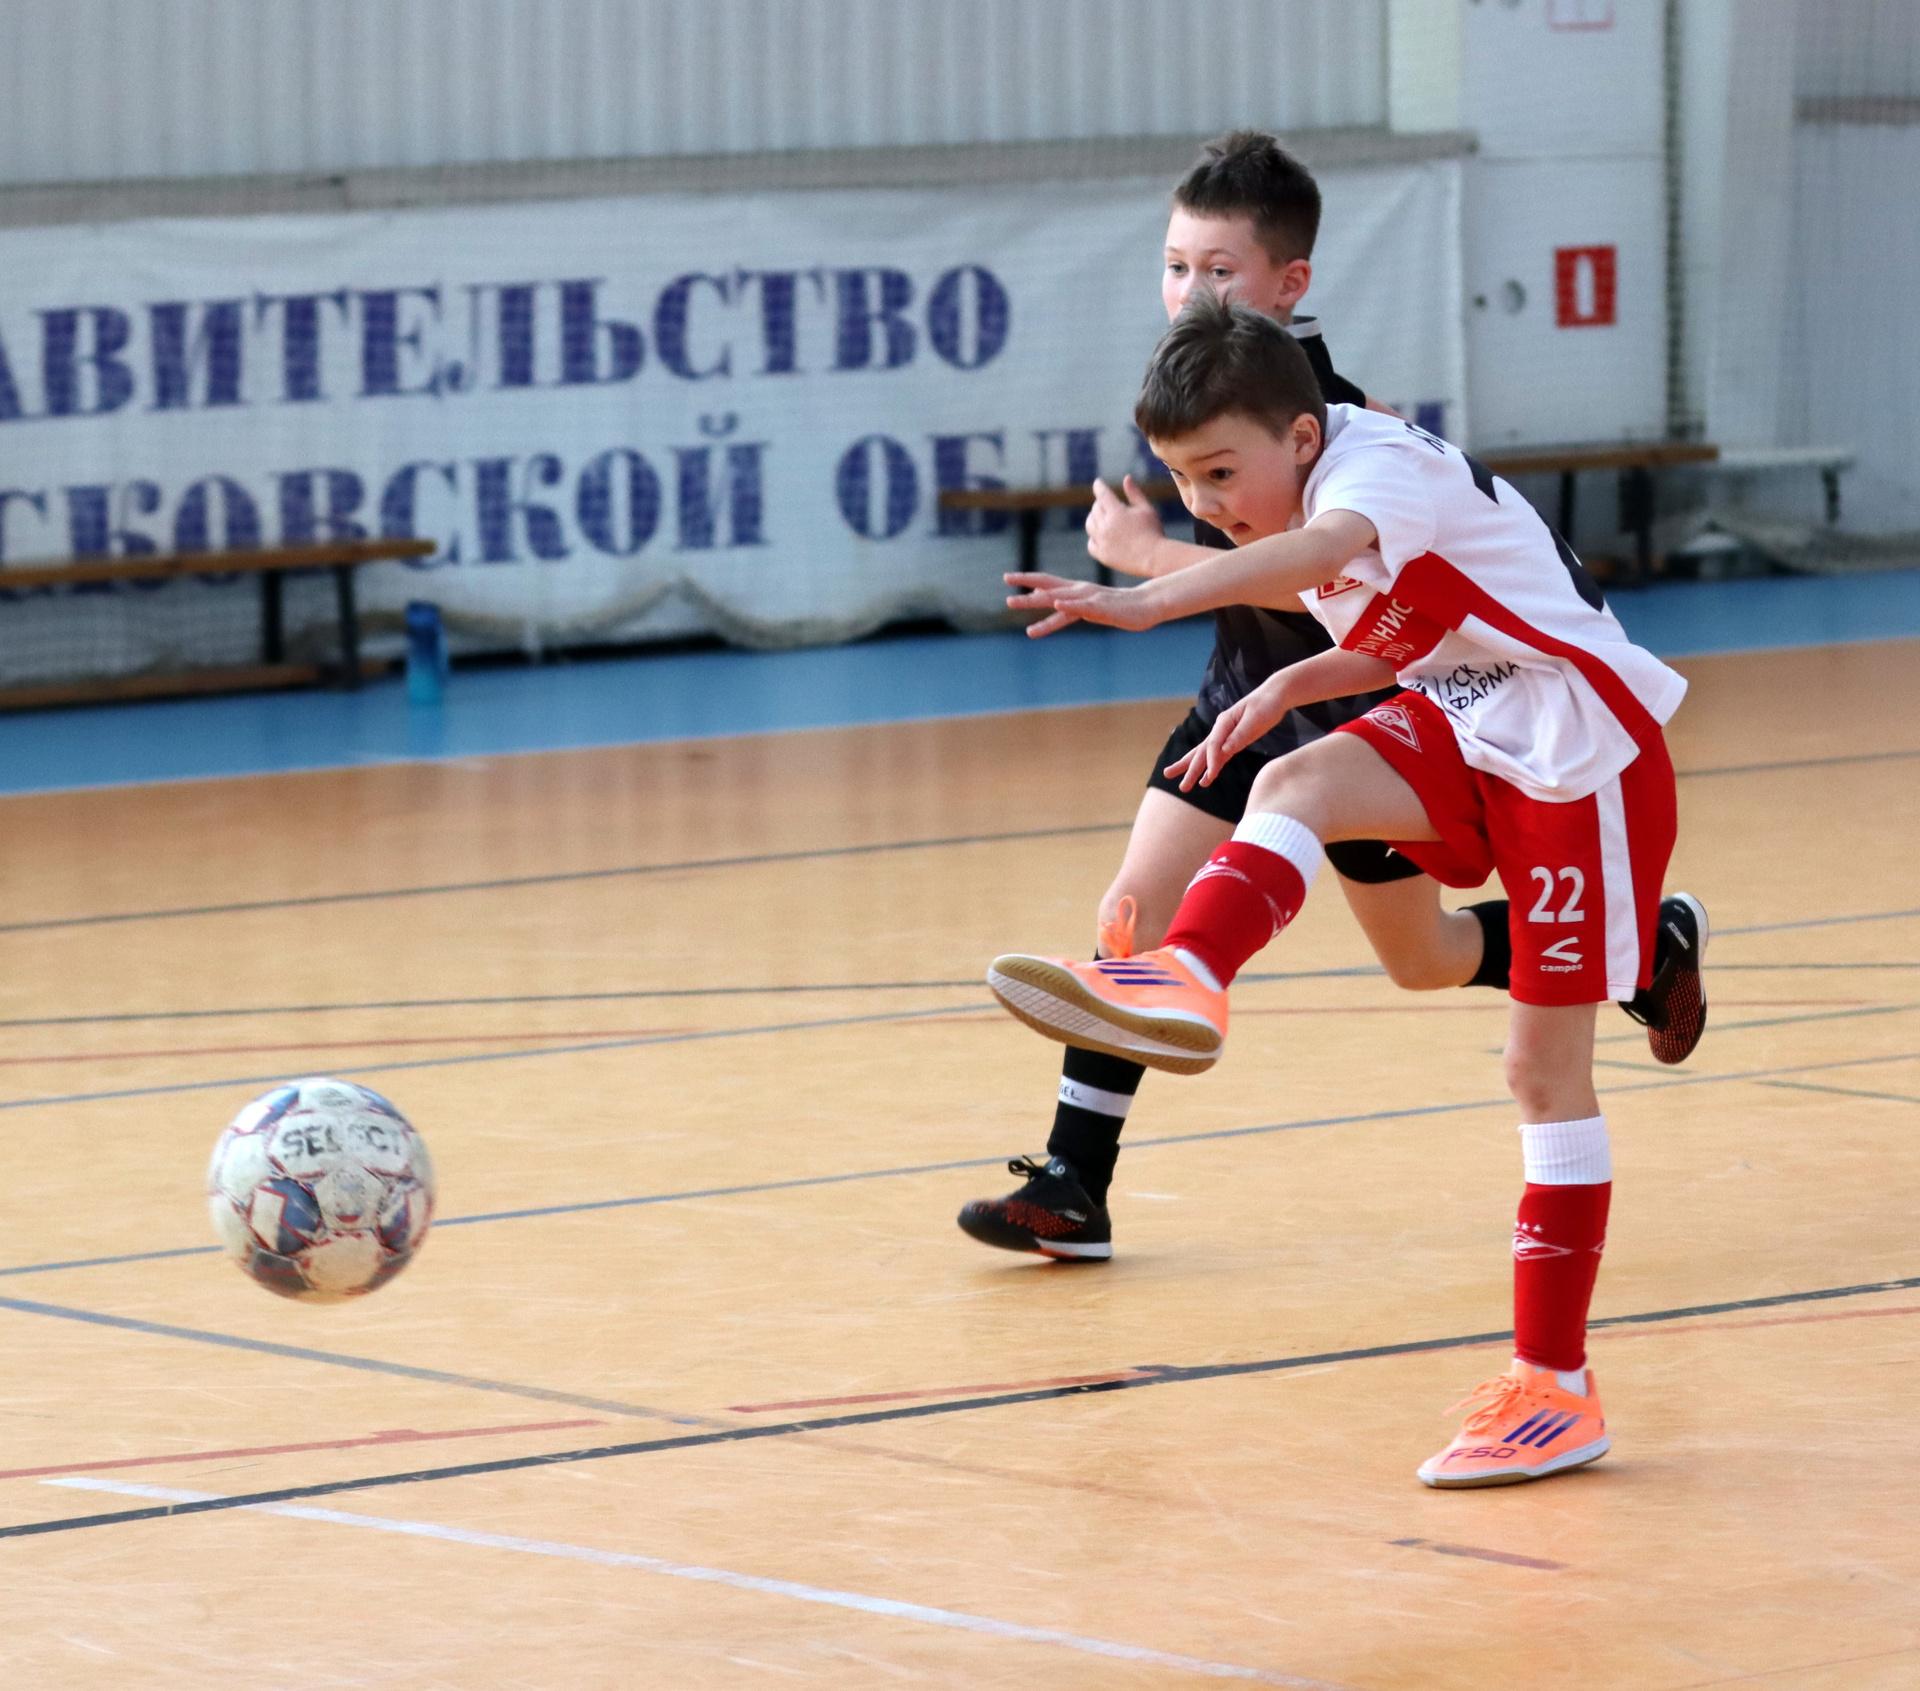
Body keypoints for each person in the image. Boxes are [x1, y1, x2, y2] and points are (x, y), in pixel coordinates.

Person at [985, 292, 1705, 1487]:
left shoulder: (1372, 469)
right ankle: (1190, 972)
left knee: (1542, 1074)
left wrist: (1148, 593)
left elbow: (1324, 557)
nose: (1208, 506)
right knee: (1297, 777)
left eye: (1222, 474)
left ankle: (1555, 1386)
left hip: (1581, 751)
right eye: (1184, 482)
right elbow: (1414, 625)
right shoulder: (1322, 477)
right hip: (1470, 715)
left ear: (1303, 436)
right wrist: (1287, 685)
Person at [957, 131, 1706, 1267]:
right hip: (1253, 694)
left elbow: (1328, 582)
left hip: (1381, 710)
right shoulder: (1204, 396)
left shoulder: (1337, 424)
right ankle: (1074, 1182)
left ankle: (1639, 947)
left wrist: (1147, 569)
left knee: (1425, 957)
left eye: (1218, 269)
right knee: (1132, 913)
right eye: (1175, 265)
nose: (1190, 290)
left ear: (1288, 283)